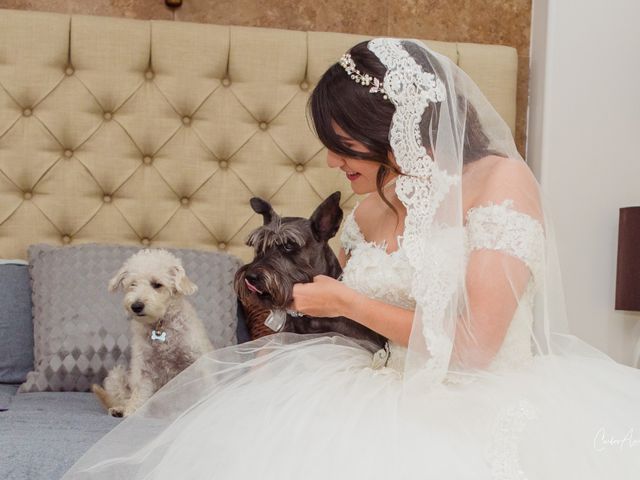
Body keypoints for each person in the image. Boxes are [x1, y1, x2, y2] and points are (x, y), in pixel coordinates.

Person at [62, 39, 640, 480]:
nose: (334, 164)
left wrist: (349, 301)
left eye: (342, 144)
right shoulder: (368, 210)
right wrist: (278, 341)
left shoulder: (500, 183)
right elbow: (317, 313)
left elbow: (476, 346)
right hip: (359, 386)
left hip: (474, 402)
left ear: (391, 124)